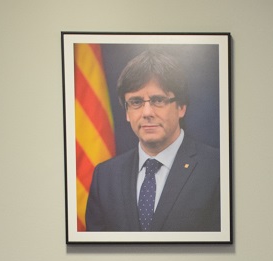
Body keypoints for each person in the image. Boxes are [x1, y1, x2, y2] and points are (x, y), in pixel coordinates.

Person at [85, 49, 221, 233]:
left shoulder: (217, 168)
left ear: (181, 107)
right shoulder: (105, 176)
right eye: (136, 102)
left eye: (158, 100)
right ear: (127, 112)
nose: (147, 113)